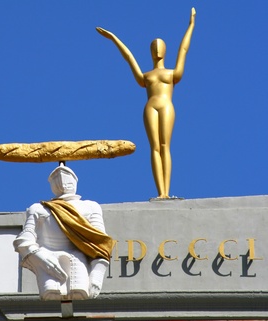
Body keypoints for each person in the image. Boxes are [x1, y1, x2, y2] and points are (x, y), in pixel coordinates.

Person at [96, 8, 196, 199]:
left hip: (166, 106)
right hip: (150, 107)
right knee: (155, 148)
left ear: (165, 50)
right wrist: (114, 38)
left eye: (160, 46)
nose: (157, 49)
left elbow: (183, 49)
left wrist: (191, 25)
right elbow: (129, 58)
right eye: (154, 47)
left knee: (166, 146)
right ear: (150, 52)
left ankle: (166, 193)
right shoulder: (145, 76)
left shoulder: (172, 73)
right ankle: (160, 193)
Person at [13, 164, 112, 300]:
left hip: (78, 259)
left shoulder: (90, 207)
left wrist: (97, 274)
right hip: (47, 258)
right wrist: (41, 258)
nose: (62, 181)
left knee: (79, 291)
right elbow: (24, 241)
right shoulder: (38, 209)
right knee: (51, 292)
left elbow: (100, 244)